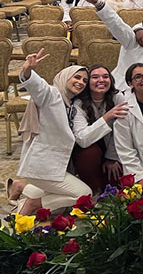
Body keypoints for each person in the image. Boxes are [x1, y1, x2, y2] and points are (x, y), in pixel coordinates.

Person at [7, 52, 92, 214]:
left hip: (53, 165)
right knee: (84, 194)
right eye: (77, 77)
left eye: (84, 81)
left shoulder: (71, 104)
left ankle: (23, 188)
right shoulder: (53, 95)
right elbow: (39, 87)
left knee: (60, 196)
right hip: (42, 165)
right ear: (64, 77)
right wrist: (28, 71)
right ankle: (32, 203)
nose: (81, 82)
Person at [71, 65, 127, 193]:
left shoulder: (118, 98)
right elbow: (82, 139)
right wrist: (107, 117)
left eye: (105, 77)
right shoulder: (79, 103)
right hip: (89, 151)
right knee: (89, 153)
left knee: (115, 185)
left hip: (114, 149)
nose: (101, 80)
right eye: (95, 77)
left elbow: (122, 132)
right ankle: (93, 190)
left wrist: (111, 158)